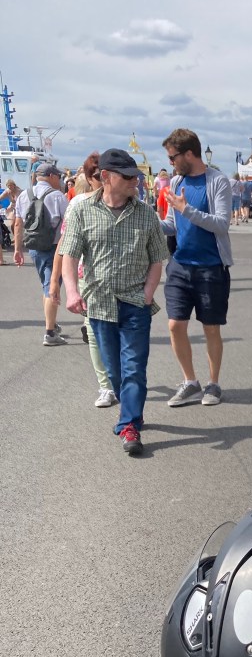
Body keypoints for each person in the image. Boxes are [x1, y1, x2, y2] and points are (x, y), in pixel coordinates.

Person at [59, 148, 167, 455]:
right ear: (106, 177)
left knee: (134, 367)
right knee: (114, 370)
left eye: (136, 176)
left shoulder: (145, 213)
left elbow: (158, 259)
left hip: (135, 304)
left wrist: (147, 294)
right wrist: (71, 291)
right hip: (99, 305)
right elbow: (69, 255)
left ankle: (129, 425)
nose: (136, 181)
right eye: (128, 176)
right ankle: (132, 410)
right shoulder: (81, 210)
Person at [160, 127, 233, 407]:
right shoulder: (177, 183)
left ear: (189, 153)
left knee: (210, 328)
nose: (170, 163)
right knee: (175, 325)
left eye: (173, 157)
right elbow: (170, 225)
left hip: (210, 267)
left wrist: (186, 209)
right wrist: (147, 224)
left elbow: (222, 224)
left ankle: (213, 384)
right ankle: (190, 381)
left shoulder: (218, 181)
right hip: (179, 264)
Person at [50, 153, 118, 408]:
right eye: (97, 176)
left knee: (119, 335)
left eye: (106, 174)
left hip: (121, 281)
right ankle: (106, 386)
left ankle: (119, 379)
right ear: (89, 179)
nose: (103, 180)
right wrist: (55, 282)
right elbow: (65, 246)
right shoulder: (78, 204)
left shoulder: (126, 202)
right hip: (89, 281)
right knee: (94, 333)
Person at [13, 162, 69, 345]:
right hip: (54, 248)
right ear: (52, 176)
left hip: (34, 248)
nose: (59, 180)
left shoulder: (23, 195)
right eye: (58, 177)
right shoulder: (57, 196)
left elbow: (18, 224)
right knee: (51, 288)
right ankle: (50, 333)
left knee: (46, 286)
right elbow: (69, 224)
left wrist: (17, 249)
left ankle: (50, 322)